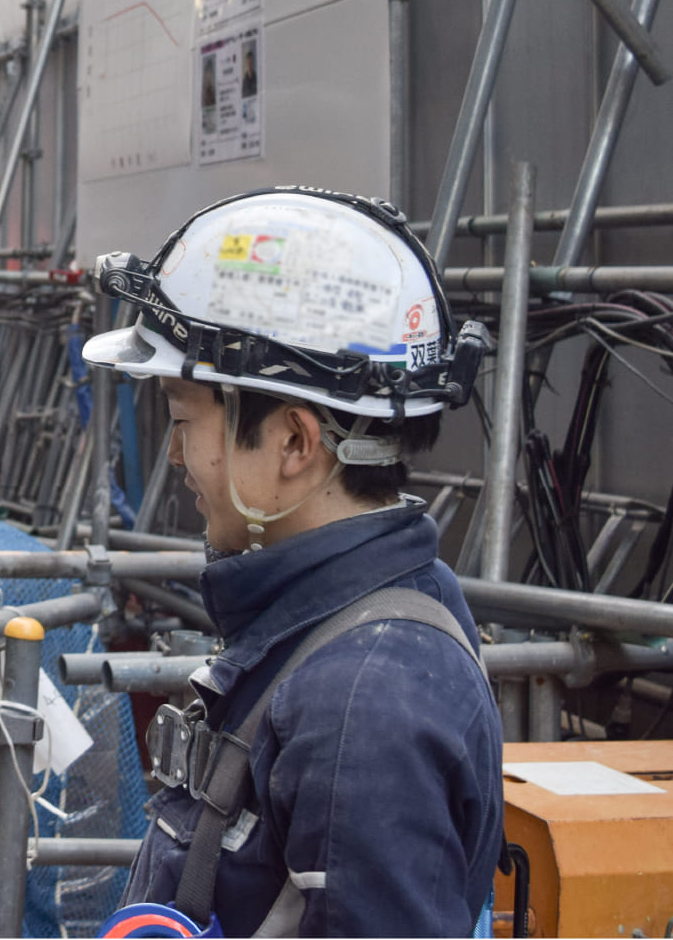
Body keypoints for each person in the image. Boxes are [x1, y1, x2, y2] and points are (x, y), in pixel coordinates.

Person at [83, 187, 502, 938]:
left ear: (296, 443)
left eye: (183, 420)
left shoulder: (363, 705)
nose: (176, 456)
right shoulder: (346, 616)